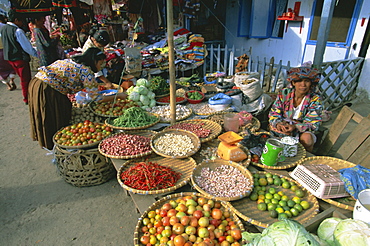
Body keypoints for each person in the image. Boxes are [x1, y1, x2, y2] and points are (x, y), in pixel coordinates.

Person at [28, 47, 128, 150]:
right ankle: (53, 143)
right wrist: (118, 96)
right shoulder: (86, 71)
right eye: (101, 63)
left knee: (50, 111)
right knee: (55, 113)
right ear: (94, 61)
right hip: (47, 88)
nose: (101, 67)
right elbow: (97, 98)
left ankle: (48, 141)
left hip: (36, 82)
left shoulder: (74, 61)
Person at [268, 67, 324, 152]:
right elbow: (274, 113)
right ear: (293, 82)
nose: (303, 85)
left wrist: (295, 127)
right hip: (284, 125)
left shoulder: (315, 99)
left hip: (302, 129)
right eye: (299, 81)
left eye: (307, 81)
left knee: (307, 139)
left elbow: (313, 124)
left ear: (311, 83)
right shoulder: (284, 93)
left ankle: (305, 158)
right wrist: (279, 124)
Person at [0, 9, 37, 104]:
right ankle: (27, 98)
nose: (21, 23)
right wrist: (38, 55)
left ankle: (27, 96)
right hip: (19, 58)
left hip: (9, 58)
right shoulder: (17, 31)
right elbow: (27, 47)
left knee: (22, 78)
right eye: (20, 21)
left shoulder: (4, 28)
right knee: (25, 80)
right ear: (16, 20)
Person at [0, 14, 17, 91]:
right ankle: (11, 80)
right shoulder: (4, 26)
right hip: (5, 50)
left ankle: (8, 85)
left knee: (1, 71)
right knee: (11, 67)